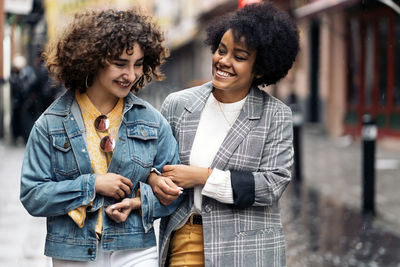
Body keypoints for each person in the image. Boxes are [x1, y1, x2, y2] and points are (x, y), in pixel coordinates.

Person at [20, 8, 182, 266]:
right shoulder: (50, 124)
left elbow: (178, 191)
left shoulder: (151, 121)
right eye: (120, 64)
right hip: (73, 250)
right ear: (93, 59)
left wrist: (140, 202)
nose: (131, 75)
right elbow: (33, 195)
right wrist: (92, 185)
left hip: (135, 246)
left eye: (138, 64)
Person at [148, 2, 300, 266]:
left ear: (260, 68)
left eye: (239, 57)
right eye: (221, 50)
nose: (223, 61)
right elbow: (152, 163)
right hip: (187, 238)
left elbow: (271, 185)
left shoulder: (275, 115)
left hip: (249, 246)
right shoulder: (178, 104)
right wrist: (153, 179)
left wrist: (202, 177)